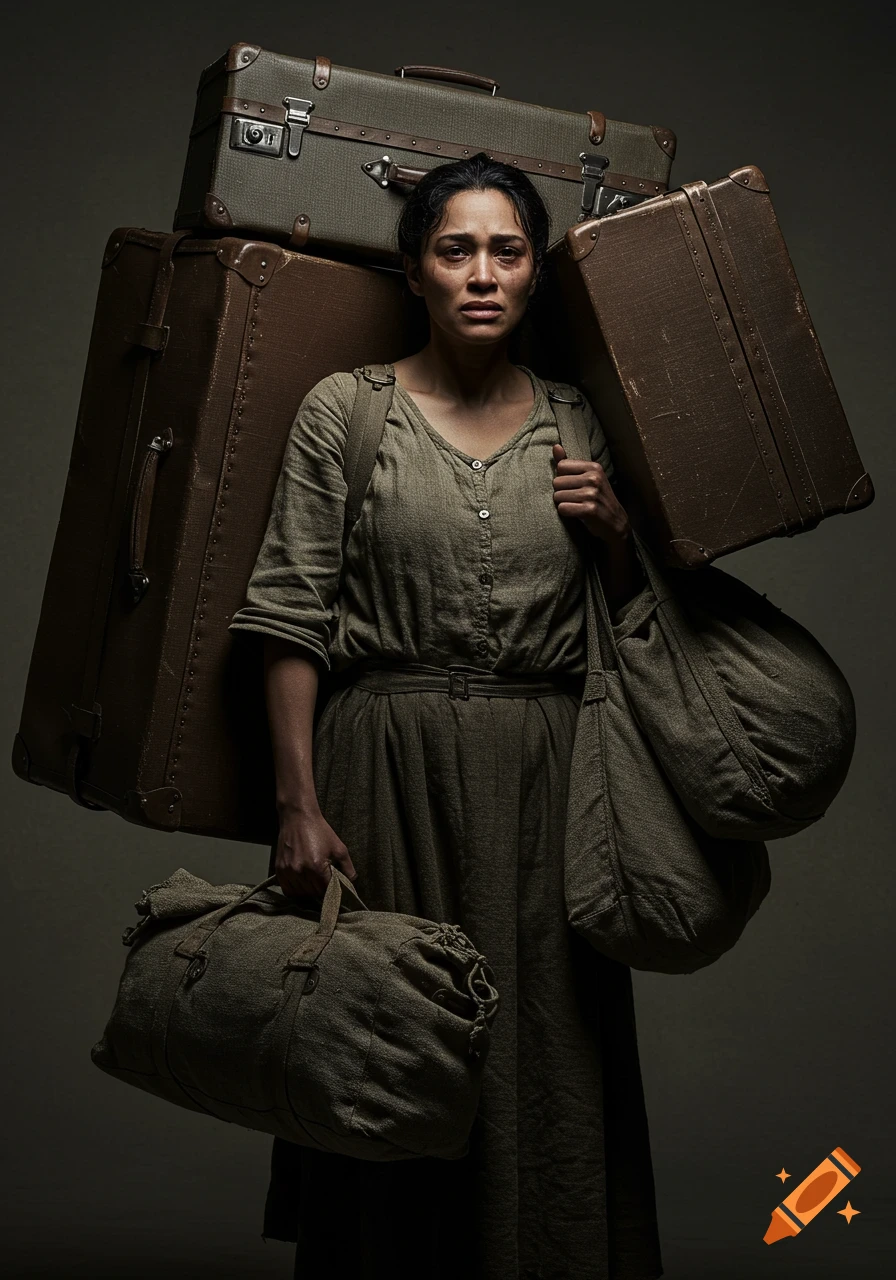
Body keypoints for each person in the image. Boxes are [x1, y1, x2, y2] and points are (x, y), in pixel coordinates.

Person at [228, 152, 662, 1280]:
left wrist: (614, 533)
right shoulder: (347, 411)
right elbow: (288, 614)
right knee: (384, 1046)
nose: (481, 273)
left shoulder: (578, 420)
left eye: (506, 250)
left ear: (533, 274)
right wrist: (297, 804)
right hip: (385, 769)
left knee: (549, 1056)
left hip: (544, 778)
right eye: (454, 249)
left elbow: (638, 637)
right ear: (413, 269)